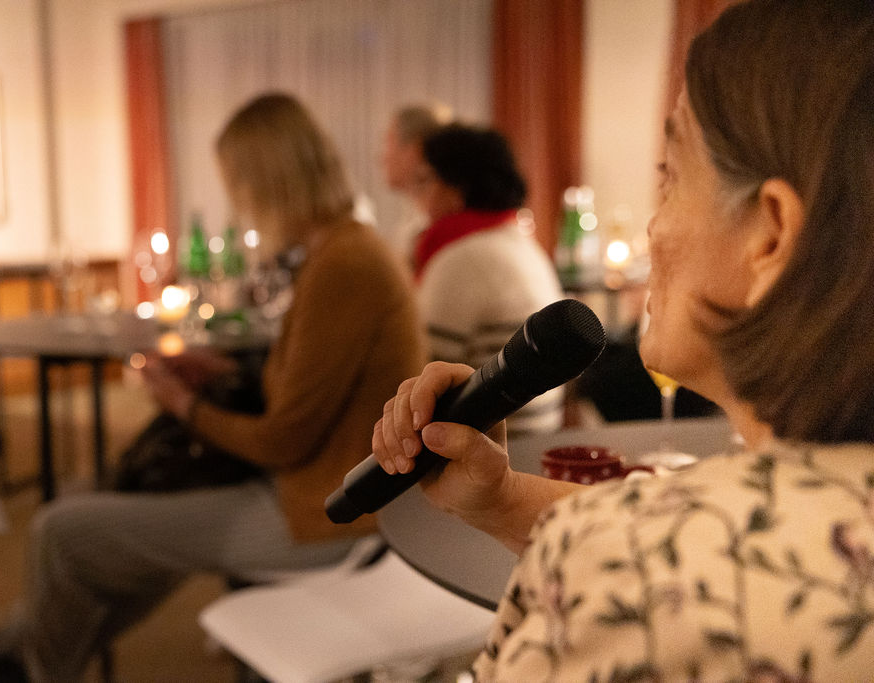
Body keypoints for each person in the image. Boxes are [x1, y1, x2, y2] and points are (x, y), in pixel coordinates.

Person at [373, 1, 874, 679]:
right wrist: (504, 499)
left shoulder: (626, 570)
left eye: (670, 176)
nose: (650, 228)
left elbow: (651, 556)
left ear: (770, 234)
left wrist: (587, 543)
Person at [0, 92, 425, 682]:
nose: (239, 203)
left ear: (267, 182)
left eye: (239, 184)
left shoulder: (344, 264)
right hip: (322, 493)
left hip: (327, 512)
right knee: (119, 543)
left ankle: (19, 667)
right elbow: (313, 392)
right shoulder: (343, 251)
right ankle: (11, 658)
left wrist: (183, 404)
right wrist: (219, 375)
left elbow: (281, 440)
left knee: (60, 530)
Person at [412, 122, 565, 436]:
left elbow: (419, 376)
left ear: (455, 189)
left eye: (426, 181)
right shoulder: (521, 243)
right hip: (540, 430)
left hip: (498, 438)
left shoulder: (461, 259)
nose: (419, 197)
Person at [380, 103, 452, 264]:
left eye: (389, 143)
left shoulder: (433, 225)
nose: (382, 158)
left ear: (416, 149)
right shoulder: (415, 218)